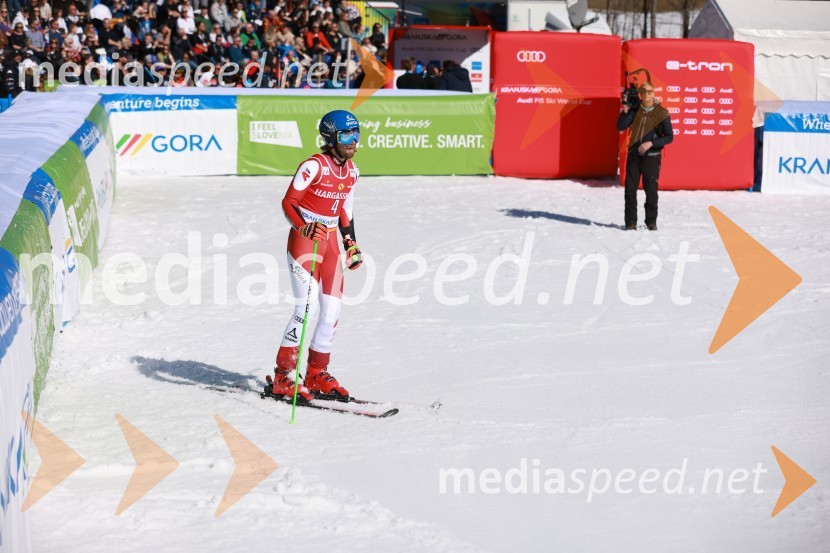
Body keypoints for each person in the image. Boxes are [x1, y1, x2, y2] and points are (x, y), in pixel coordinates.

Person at [272, 109, 364, 402]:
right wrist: (304, 226)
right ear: (330, 138)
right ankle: (283, 377)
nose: (353, 141)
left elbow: (345, 210)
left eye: (356, 134)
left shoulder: (352, 171)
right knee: (306, 308)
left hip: (331, 245)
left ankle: (315, 373)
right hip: (305, 241)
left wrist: (350, 243)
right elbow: (289, 202)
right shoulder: (314, 165)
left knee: (332, 312)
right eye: (346, 135)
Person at [616, 82, 673, 231]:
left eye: (648, 92)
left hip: (652, 157)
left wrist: (651, 143)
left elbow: (669, 137)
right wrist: (625, 110)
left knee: (651, 191)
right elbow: (621, 126)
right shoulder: (635, 111)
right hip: (634, 155)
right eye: (643, 92)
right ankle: (631, 223)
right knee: (630, 190)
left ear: (653, 93)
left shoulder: (661, 112)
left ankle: (651, 222)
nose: (645, 95)